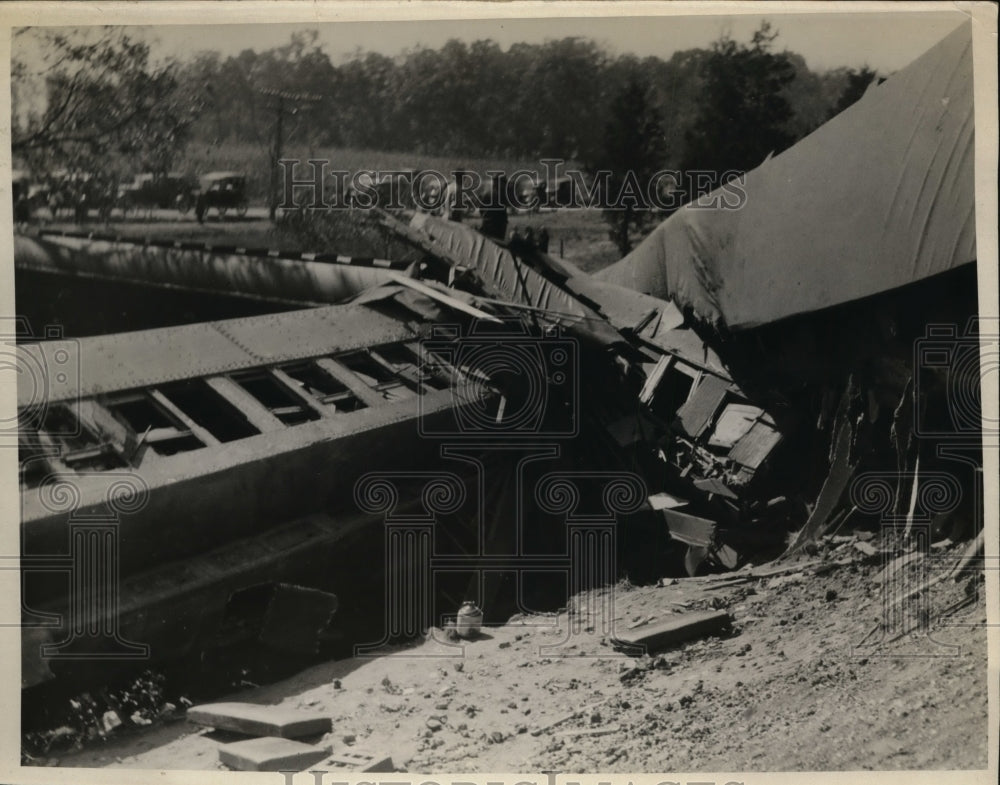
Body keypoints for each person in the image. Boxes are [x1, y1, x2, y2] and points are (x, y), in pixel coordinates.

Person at [478, 173, 509, 241]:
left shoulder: (487, 193)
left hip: (487, 224)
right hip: (498, 225)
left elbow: (481, 210)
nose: (505, 184)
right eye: (503, 182)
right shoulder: (503, 195)